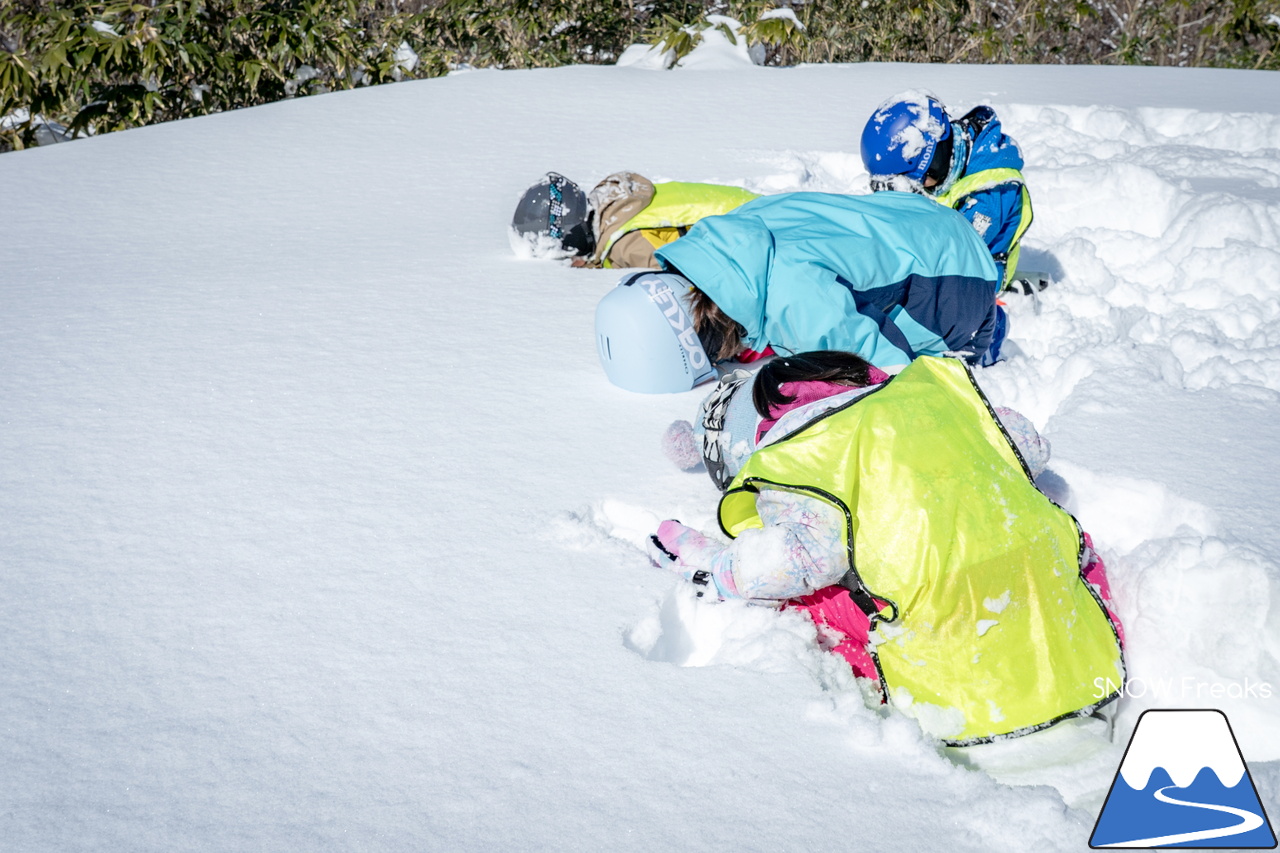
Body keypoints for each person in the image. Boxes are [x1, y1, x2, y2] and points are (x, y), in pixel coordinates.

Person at [648, 351, 1126, 746]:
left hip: (957, 676)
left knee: (815, 594)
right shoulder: (934, 401)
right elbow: (1029, 444)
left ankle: (886, 672)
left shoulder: (800, 456)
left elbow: (795, 561)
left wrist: (720, 567)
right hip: (1065, 622)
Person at [594, 191, 1001, 393]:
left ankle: (984, 336)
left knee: (836, 369)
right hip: (925, 217)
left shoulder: (800, 307)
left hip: (963, 280)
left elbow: (891, 377)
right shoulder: (729, 240)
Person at [859, 91, 1033, 291]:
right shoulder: (950, 155)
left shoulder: (990, 195)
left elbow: (952, 258)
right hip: (942, 246)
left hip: (976, 282)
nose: (919, 187)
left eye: (919, 180)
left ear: (935, 160)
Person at [510, 171, 759, 269]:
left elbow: (691, 275)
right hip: (751, 206)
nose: (568, 257)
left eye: (564, 251)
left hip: (758, 226)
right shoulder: (614, 203)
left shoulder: (628, 242)